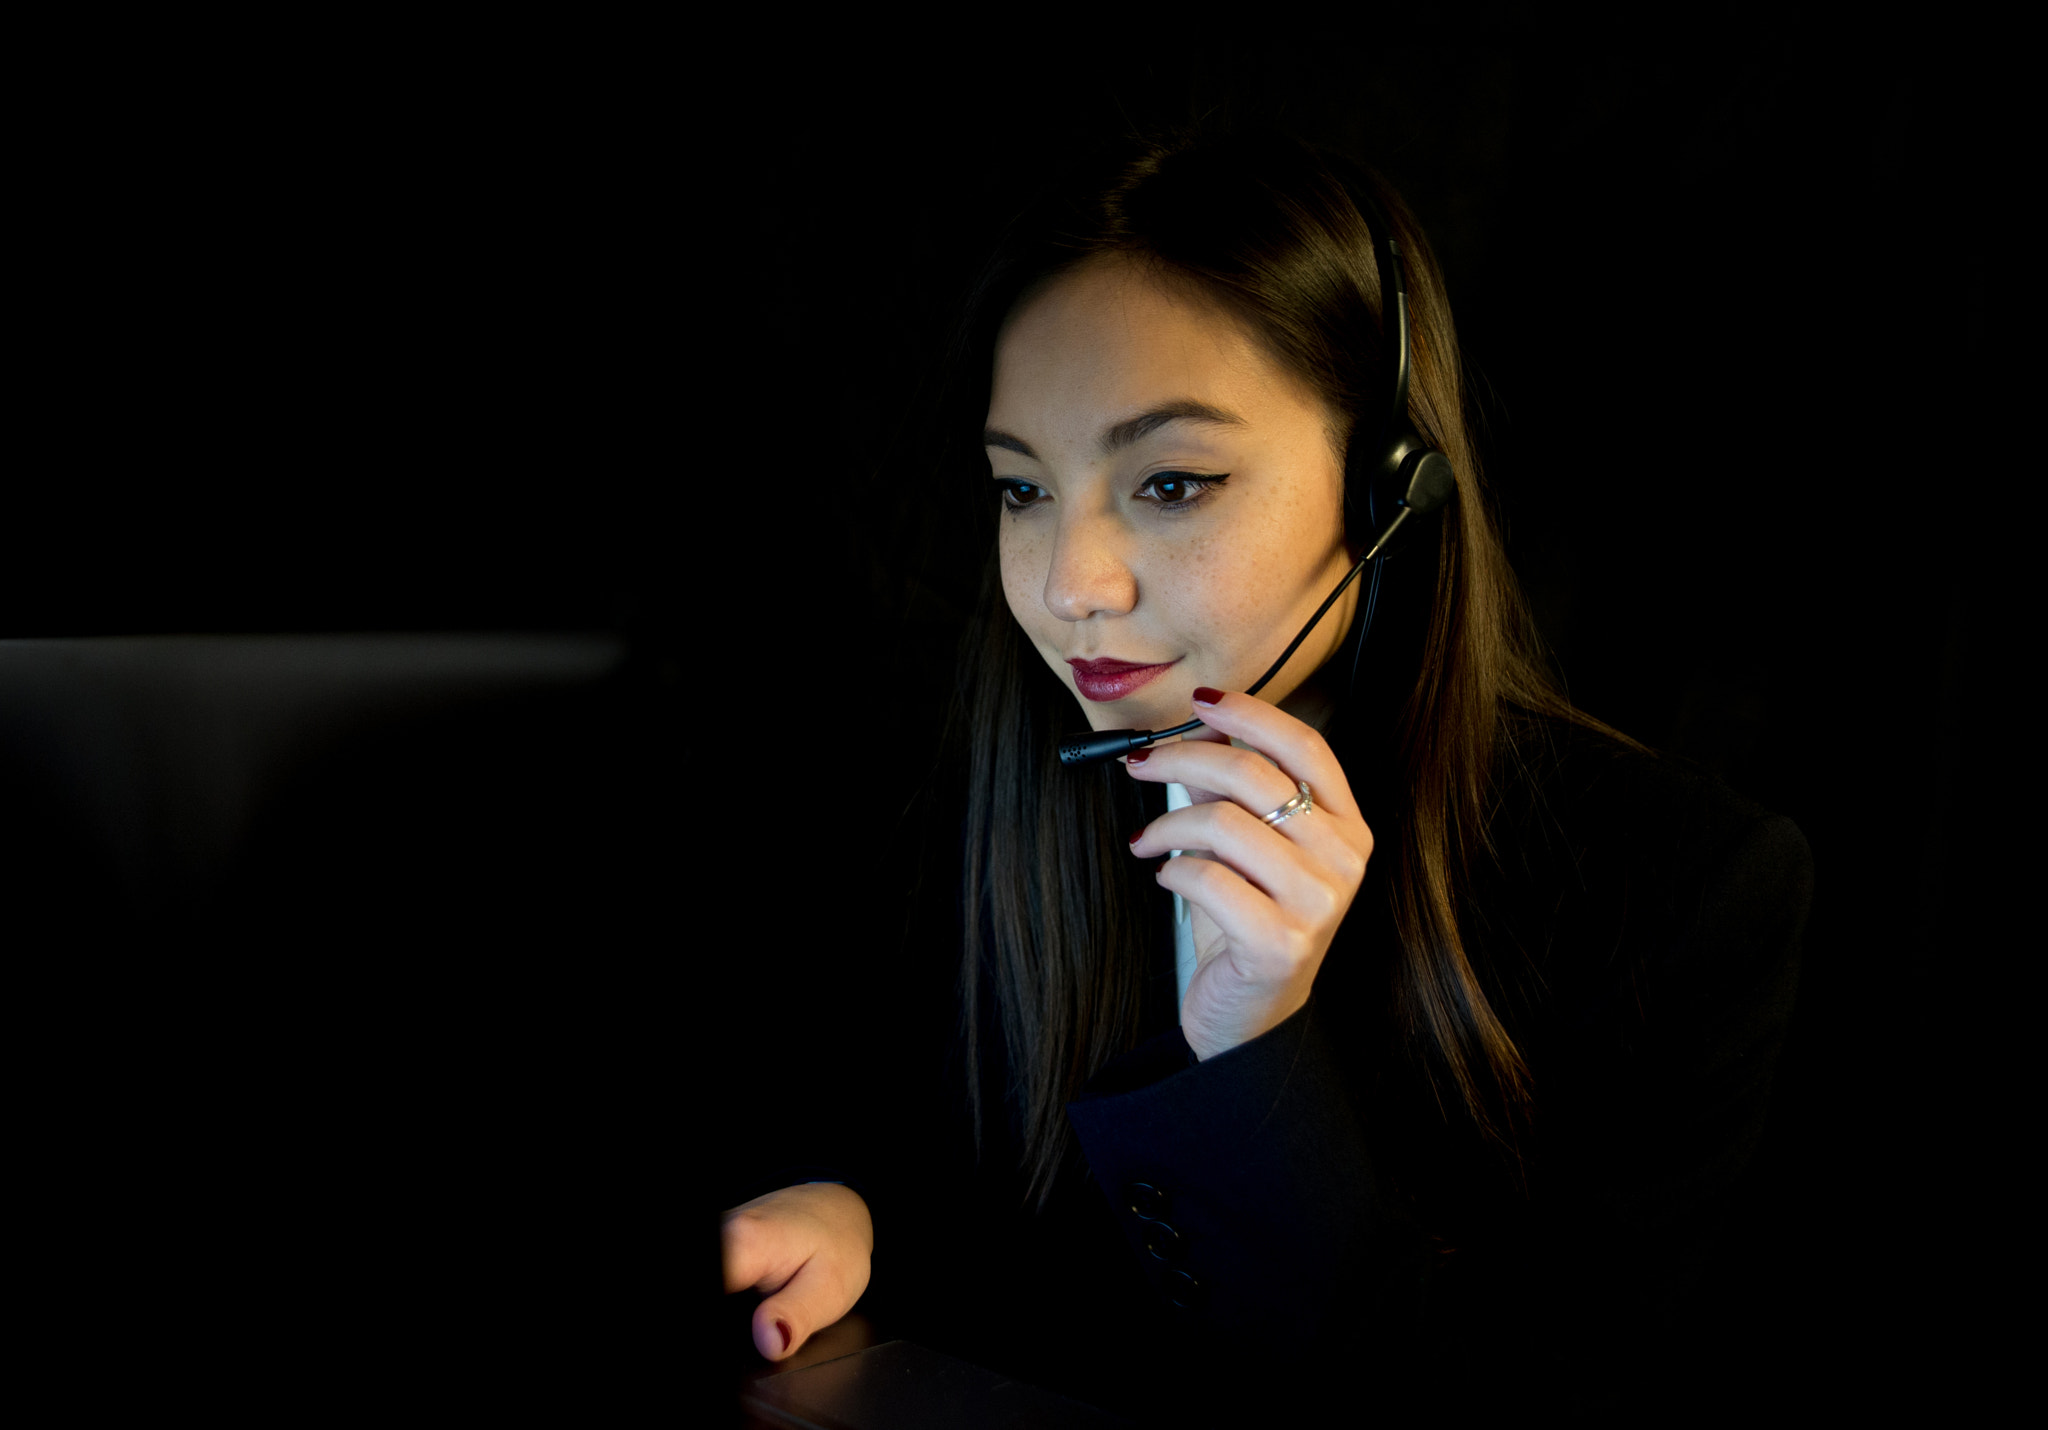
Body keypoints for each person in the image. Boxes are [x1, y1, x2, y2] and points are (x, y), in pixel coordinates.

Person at [719, 119, 1811, 1423]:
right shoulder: (973, 780)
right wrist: (852, 1211)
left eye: (1172, 482)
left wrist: (1256, 1064)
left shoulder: (1685, 889)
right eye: (1022, 490)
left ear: (1388, 489)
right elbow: (916, 1160)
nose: (1071, 585)